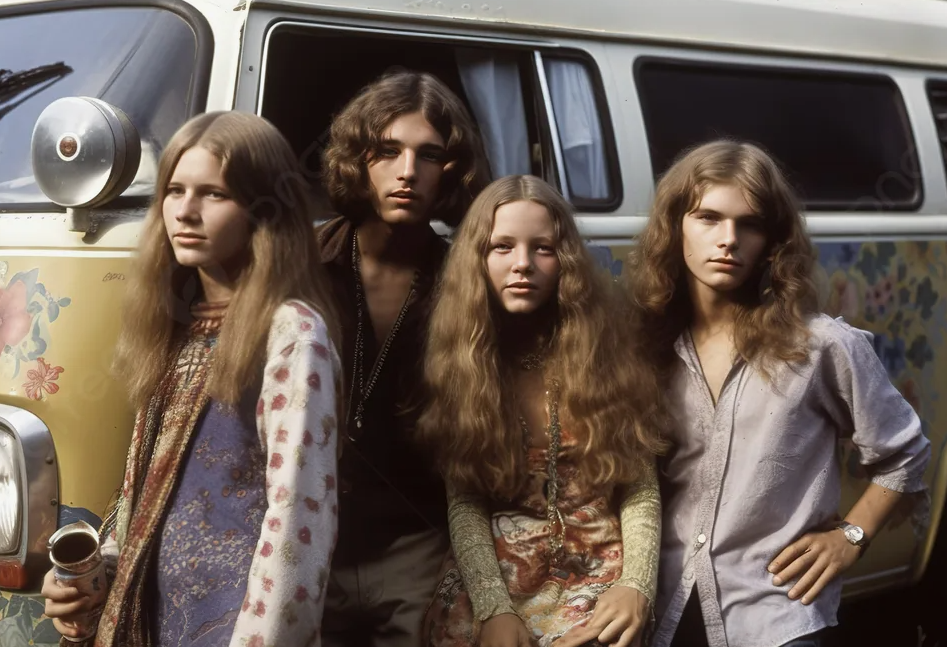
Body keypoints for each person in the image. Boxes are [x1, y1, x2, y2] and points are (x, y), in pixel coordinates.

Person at [41, 111, 342, 647]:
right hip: (153, 624)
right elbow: (145, 495)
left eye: (214, 194)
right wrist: (95, 577)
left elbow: (298, 522)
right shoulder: (173, 324)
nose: (185, 211)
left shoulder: (291, 334)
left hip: (234, 629)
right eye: (174, 191)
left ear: (262, 211)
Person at [624, 139, 932, 647]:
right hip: (666, 604)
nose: (728, 239)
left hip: (774, 612)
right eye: (708, 218)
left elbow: (905, 452)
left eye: (749, 224)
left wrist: (851, 536)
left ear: (772, 240)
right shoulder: (647, 347)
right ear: (675, 226)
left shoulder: (821, 345)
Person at [419, 175, 668, 647]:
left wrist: (637, 585)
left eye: (543, 248)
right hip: (494, 574)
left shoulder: (605, 351)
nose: (522, 264)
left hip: (600, 566)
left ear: (566, 260)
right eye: (502, 246)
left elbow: (639, 487)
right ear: (477, 258)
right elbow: (466, 501)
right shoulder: (463, 363)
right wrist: (493, 609)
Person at [316, 70, 491, 647]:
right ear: (357, 159)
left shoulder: (466, 281)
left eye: (429, 155)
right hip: (310, 538)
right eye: (387, 151)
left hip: (417, 545)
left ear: (451, 170)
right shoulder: (303, 262)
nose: (408, 171)